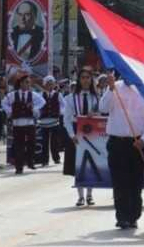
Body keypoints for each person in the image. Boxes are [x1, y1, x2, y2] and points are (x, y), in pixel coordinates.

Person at [101, 73, 144, 230]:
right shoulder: (115, 87)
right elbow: (103, 108)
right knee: (119, 182)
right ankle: (122, 216)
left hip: (136, 144)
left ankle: (133, 216)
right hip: (116, 142)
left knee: (134, 181)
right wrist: (110, 89)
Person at [62, 68, 102, 207]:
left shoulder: (96, 98)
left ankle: (90, 195)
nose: (85, 80)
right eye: (83, 77)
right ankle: (80, 196)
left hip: (92, 132)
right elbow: (66, 119)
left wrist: (95, 114)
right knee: (78, 164)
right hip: (76, 130)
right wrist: (71, 135)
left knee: (91, 164)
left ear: (91, 80)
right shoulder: (70, 98)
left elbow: (103, 115)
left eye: (88, 77)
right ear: (79, 80)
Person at [2, 73, 46, 174]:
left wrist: (35, 109)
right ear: (21, 83)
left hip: (30, 123)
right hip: (17, 123)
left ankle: (30, 162)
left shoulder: (33, 94)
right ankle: (19, 167)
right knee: (19, 145)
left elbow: (42, 102)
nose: (28, 84)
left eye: (29, 83)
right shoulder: (12, 95)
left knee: (31, 144)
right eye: (26, 82)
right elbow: (3, 103)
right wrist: (10, 111)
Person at [39, 75, 64, 166]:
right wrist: (38, 113)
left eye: (51, 84)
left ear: (54, 85)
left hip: (54, 119)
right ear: (44, 85)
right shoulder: (41, 94)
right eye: (48, 84)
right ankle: (44, 160)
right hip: (44, 120)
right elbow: (38, 106)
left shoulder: (58, 94)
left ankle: (56, 158)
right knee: (44, 141)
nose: (50, 86)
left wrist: (60, 112)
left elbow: (63, 105)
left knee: (55, 140)